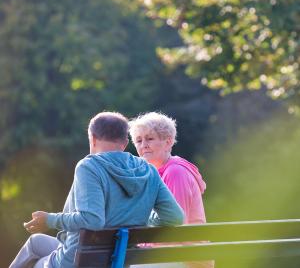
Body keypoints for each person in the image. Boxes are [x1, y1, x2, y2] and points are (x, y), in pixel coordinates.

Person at [10, 111, 184, 268]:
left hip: (79, 260)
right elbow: (175, 216)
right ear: (124, 143)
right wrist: (137, 224)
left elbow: (92, 220)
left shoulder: (90, 166)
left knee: (38, 264)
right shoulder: (148, 171)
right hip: (120, 258)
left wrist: (49, 220)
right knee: (35, 242)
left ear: (92, 138)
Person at [129, 112, 212, 268]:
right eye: (138, 141)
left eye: (150, 138)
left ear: (168, 142)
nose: (143, 145)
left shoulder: (176, 172)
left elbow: (173, 230)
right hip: (167, 256)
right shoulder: (152, 174)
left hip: (186, 259)